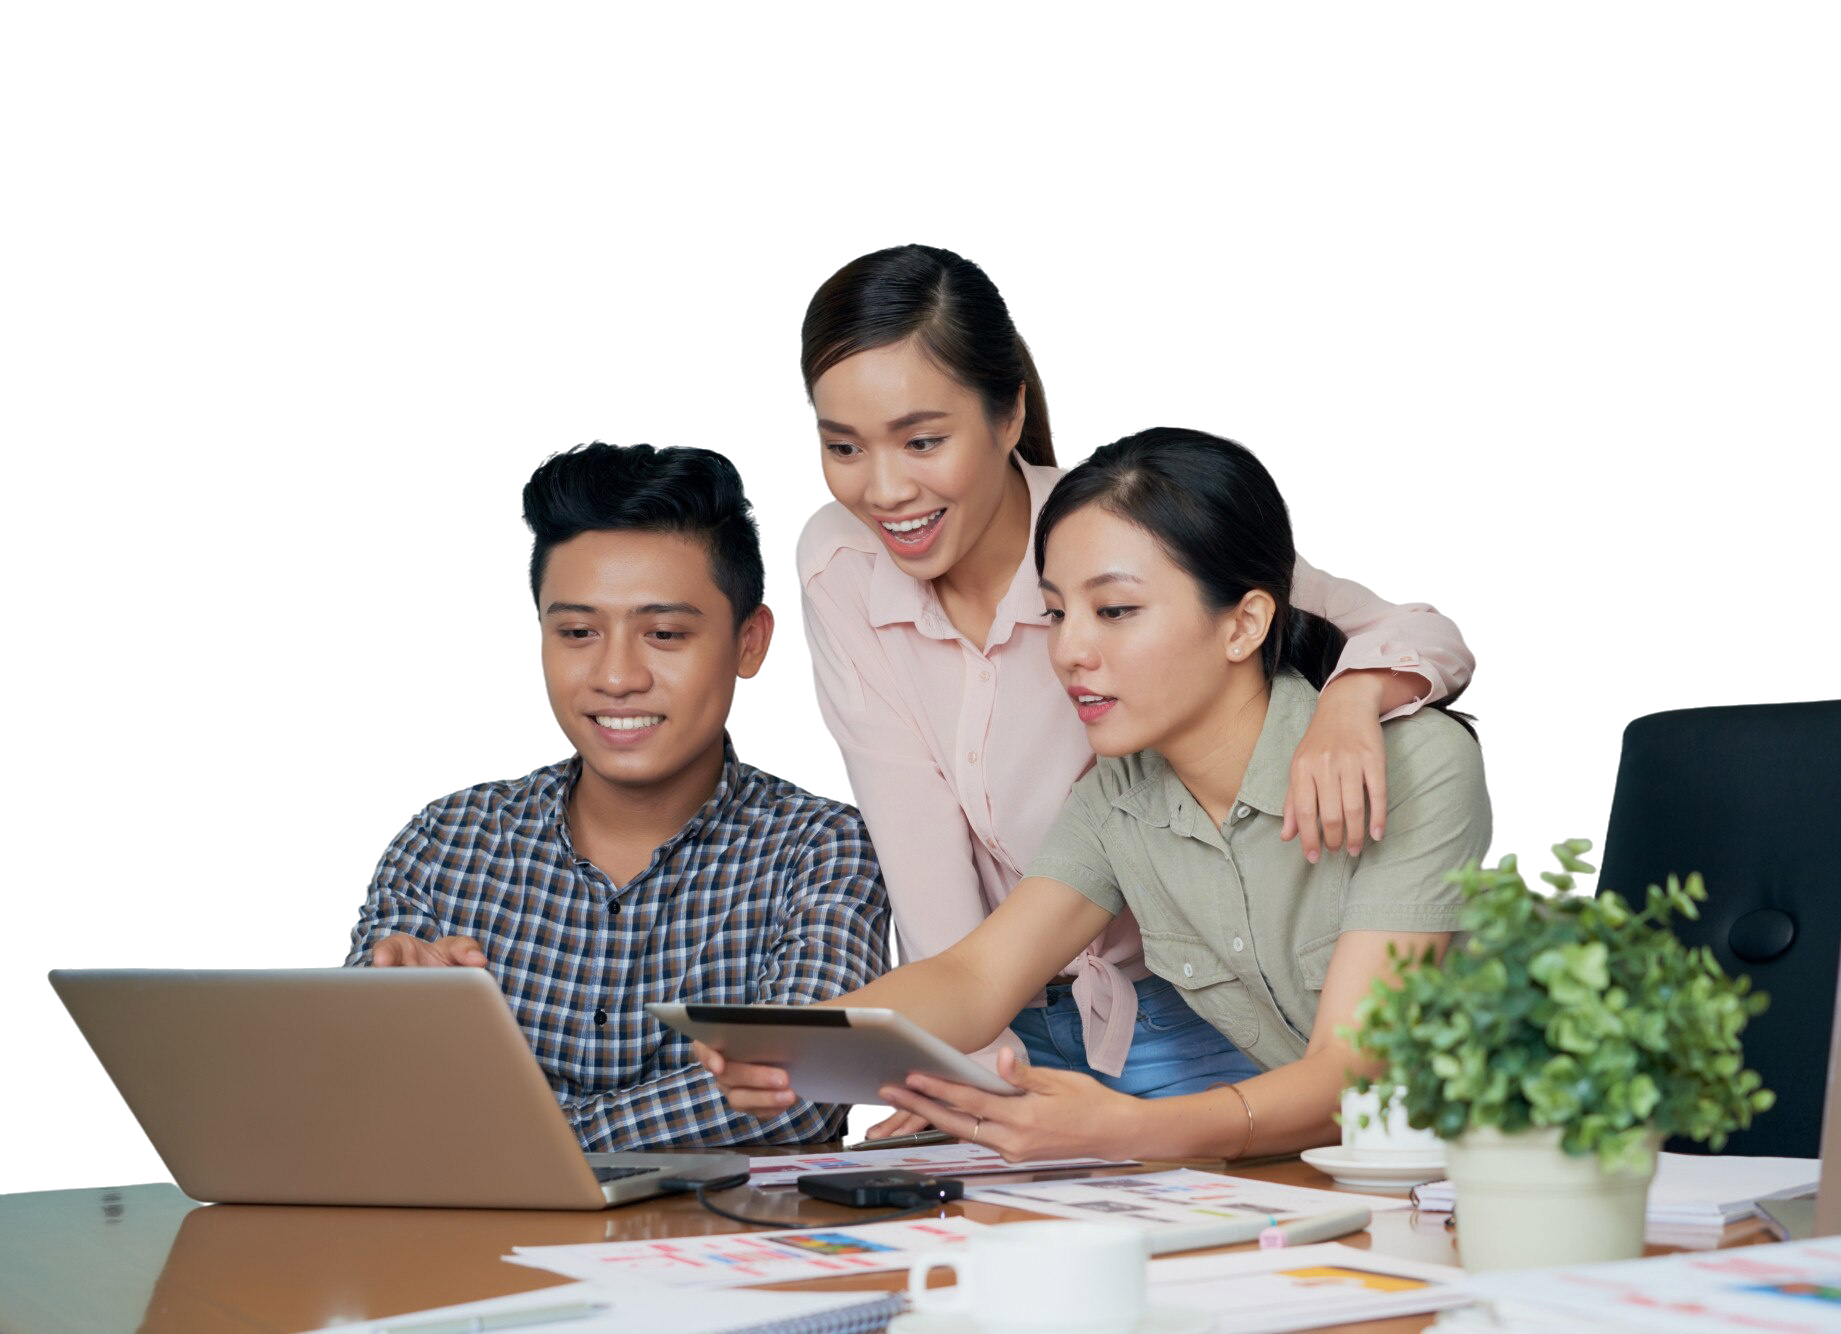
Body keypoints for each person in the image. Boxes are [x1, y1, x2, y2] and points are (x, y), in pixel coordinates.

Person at [789, 241, 1483, 1119]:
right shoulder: (836, 560)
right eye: (840, 445)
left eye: (923, 440)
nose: (884, 489)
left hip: (1181, 1014)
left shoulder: (1129, 522)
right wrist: (833, 1052)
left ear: (1008, 417)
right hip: (1006, 1015)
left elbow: (1386, 617)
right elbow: (936, 892)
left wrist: (1355, 697)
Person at [708, 424, 1498, 1161]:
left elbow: (1353, 1072)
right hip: (1346, 1185)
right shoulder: (1116, 798)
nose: (1070, 650)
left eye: (1115, 611)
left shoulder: (1414, 763)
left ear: (1245, 623)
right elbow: (978, 977)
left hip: (1507, 1179)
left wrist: (1129, 1129)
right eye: (1055, 613)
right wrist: (800, 1040)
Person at [341, 438, 891, 1149]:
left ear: (752, 644)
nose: (616, 676)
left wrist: (536, 1143)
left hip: (725, 1250)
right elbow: (350, 1081)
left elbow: (800, 1091)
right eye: (577, 631)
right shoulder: (441, 841)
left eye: (663, 632)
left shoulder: (821, 847)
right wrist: (382, 1021)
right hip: (463, 1249)